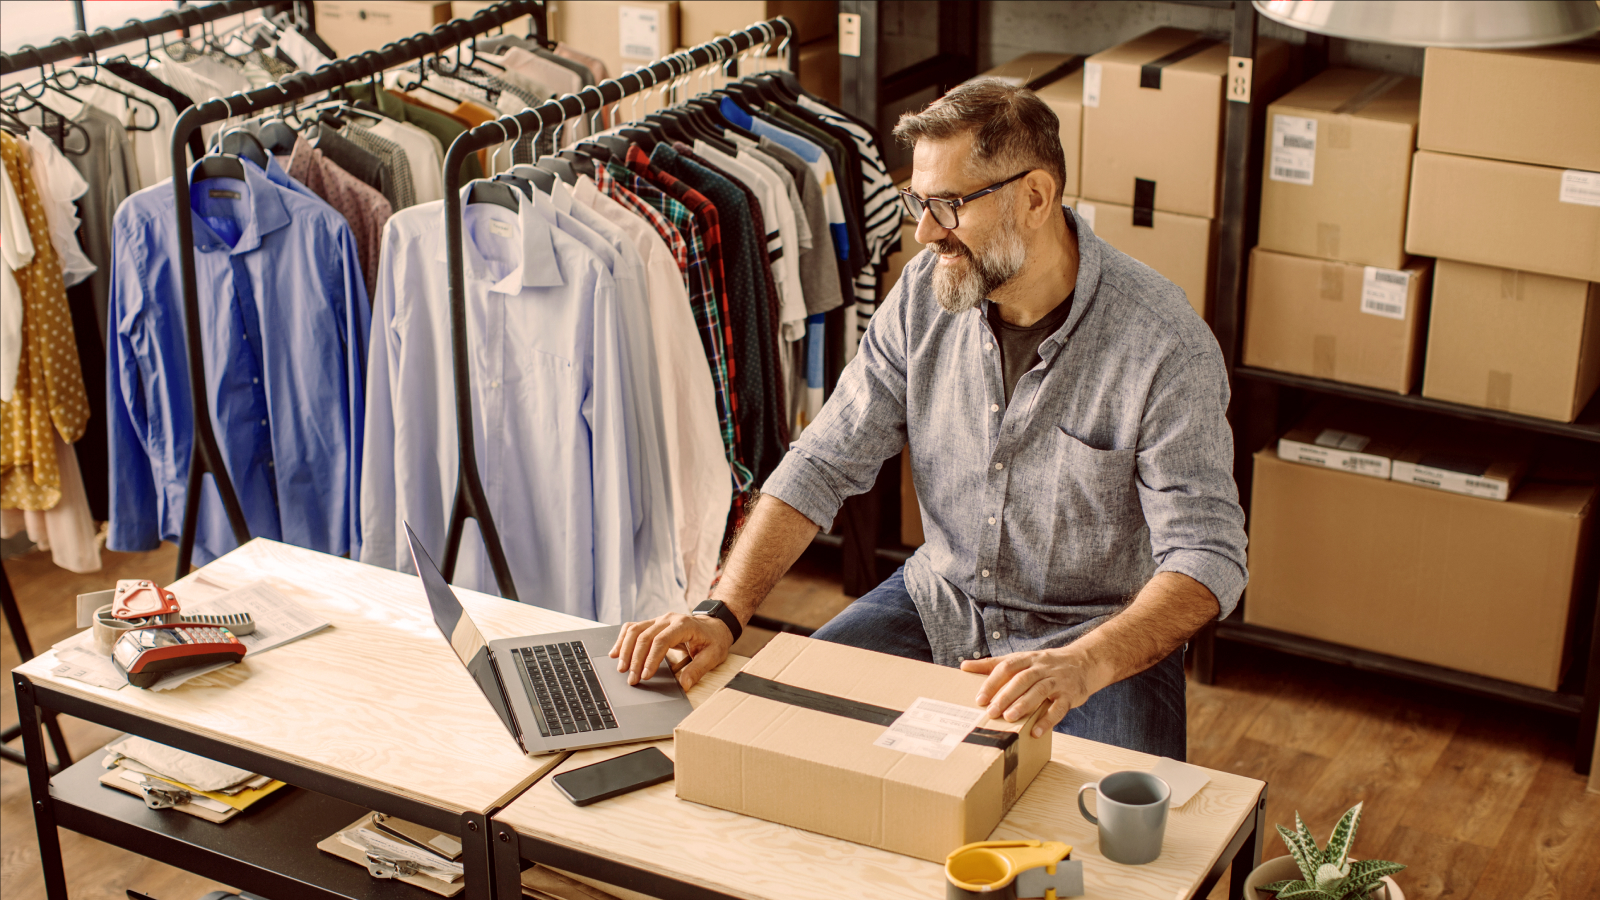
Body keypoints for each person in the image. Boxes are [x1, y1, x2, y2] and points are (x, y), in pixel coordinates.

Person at [610, 79, 1246, 759]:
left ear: (1035, 197)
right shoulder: (922, 294)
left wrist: (1085, 664)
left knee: (1109, 850)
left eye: (949, 205)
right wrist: (723, 612)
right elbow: (823, 461)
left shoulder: (1164, 343)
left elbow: (1208, 556)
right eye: (919, 201)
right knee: (776, 741)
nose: (924, 232)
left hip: (1093, 639)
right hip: (941, 602)